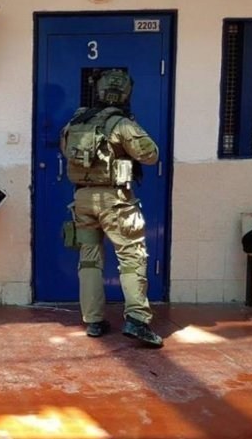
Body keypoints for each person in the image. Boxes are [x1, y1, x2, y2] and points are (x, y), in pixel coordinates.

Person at [59, 69, 163, 348]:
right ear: (126, 94)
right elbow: (151, 155)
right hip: (116, 201)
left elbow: (65, 150)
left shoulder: (76, 121)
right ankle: (137, 319)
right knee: (132, 257)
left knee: (89, 259)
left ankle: (93, 321)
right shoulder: (121, 124)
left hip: (82, 199)